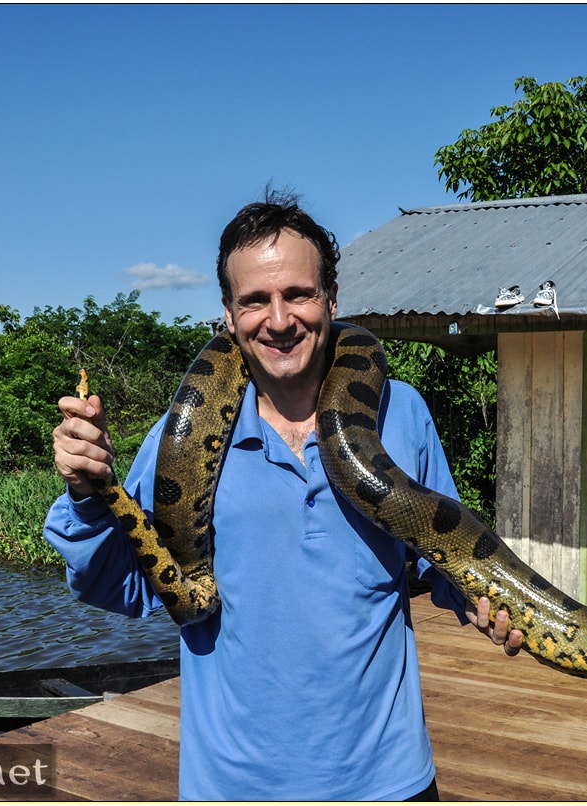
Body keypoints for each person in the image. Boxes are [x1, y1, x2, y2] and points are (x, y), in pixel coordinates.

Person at [44, 193, 522, 800]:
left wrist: (484, 607)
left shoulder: (402, 412)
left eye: (298, 293)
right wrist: (90, 492)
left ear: (332, 300)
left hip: (388, 781)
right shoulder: (181, 436)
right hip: (237, 786)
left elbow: (445, 561)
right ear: (227, 314)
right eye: (255, 300)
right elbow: (119, 583)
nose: (278, 319)